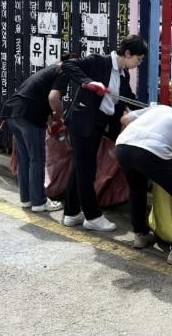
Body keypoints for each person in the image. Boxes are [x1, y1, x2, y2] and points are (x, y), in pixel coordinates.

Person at [60, 34, 147, 232]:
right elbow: (68, 65)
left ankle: (71, 213)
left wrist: (148, 110)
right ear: (127, 53)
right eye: (139, 59)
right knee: (87, 170)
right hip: (83, 123)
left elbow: (127, 98)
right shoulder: (99, 61)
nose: (139, 63)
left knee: (80, 168)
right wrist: (88, 82)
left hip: (98, 124)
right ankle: (92, 216)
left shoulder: (123, 75)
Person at [115, 105, 172, 266]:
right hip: (150, 152)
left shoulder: (160, 108)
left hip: (122, 146)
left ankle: (141, 235)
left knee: (137, 189)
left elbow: (125, 119)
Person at [1, 52, 79, 212]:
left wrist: (52, 125)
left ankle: (27, 199)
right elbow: (53, 98)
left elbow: (44, 104)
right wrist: (59, 117)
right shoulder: (64, 70)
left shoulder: (48, 71)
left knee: (25, 159)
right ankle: (39, 202)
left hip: (12, 113)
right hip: (29, 116)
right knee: (37, 159)